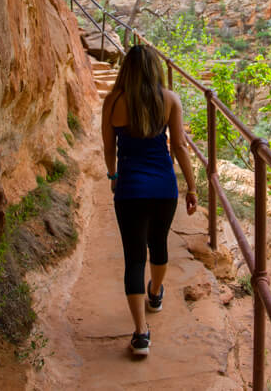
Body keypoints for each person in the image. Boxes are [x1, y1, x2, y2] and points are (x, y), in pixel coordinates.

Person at [101, 43, 198, 357]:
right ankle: (155, 294)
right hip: (163, 188)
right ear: (155, 69)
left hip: (130, 189)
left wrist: (114, 177)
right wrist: (193, 188)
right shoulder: (169, 100)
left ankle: (141, 334)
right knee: (158, 244)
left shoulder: (112, 101)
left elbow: (108, 149)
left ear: (127, 69)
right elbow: (180, 147)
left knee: (134, 258)